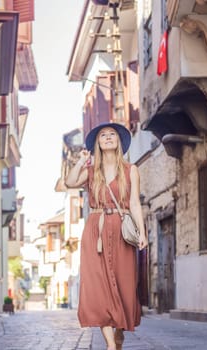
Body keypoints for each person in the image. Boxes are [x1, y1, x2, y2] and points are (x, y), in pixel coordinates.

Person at [65, 122, 148, 350]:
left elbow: (134, 204)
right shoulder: (91, 172)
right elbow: (70, 182)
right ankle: (110, 345)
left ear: (119, 141)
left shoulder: (131, 170)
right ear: (98, 144)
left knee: (124, 285)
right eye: (103, 135)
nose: (108, 137)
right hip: (96, 230)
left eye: (112, 134)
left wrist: (142, 232)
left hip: (121, 230)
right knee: (98, 286)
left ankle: (119, 329)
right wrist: (82, 160)